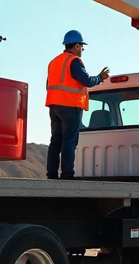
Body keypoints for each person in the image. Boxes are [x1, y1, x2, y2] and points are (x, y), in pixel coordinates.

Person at [45, 30, 109, 180]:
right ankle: (67, 175)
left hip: (54, 107)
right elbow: (86, 81)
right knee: (69, 141)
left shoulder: (54, 62)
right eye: (82, 47)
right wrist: (100, 77)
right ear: (77, 46)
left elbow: (49, 85)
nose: (82, 50)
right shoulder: (74, 61)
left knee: (55, 141)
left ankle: (52, 174)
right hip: (70, 107)